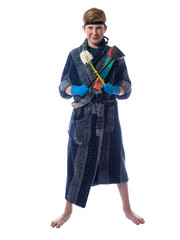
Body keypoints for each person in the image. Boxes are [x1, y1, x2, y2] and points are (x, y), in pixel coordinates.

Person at [51, 8, 145, 228]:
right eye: (90, 27)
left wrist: (116, 89)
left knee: (117, 162)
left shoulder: (115, 55)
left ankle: (127, 209)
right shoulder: (75, 55)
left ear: (105, 28)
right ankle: (67, 212)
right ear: (84, 29)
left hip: (109, 118)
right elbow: (63, 86)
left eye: (99, 27)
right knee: (76, 164)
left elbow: (127, 86)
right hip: (82, 120)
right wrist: (76, 88)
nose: (94, 32)